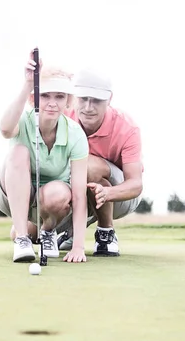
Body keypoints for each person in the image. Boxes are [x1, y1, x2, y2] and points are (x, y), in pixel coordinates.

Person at [0, 50, 90, 264]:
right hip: (11, 190)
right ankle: (22, 239)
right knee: (18, 152)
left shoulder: (75, 134)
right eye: (45, 95)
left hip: (52, 200)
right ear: (34, 97)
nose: (52, 103)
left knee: (58, 192)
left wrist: (78, 246)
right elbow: (5, 130)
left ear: (68, 102)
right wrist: (28, 83)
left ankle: (46, 232)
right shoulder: (24, 119)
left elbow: (80, 194)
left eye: (59, 96)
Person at [57, 67, 144, 256]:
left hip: (122, 197)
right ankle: (72, 232)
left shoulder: (127, 127)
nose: (88, 107)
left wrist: (108, 193)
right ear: (74, 97)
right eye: (83, 99)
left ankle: (106, 232)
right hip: (76, 188)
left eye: (96, 100)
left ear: (109, 100)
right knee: (27, 235)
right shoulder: (62, 117)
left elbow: (136, 184)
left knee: (88, 167)